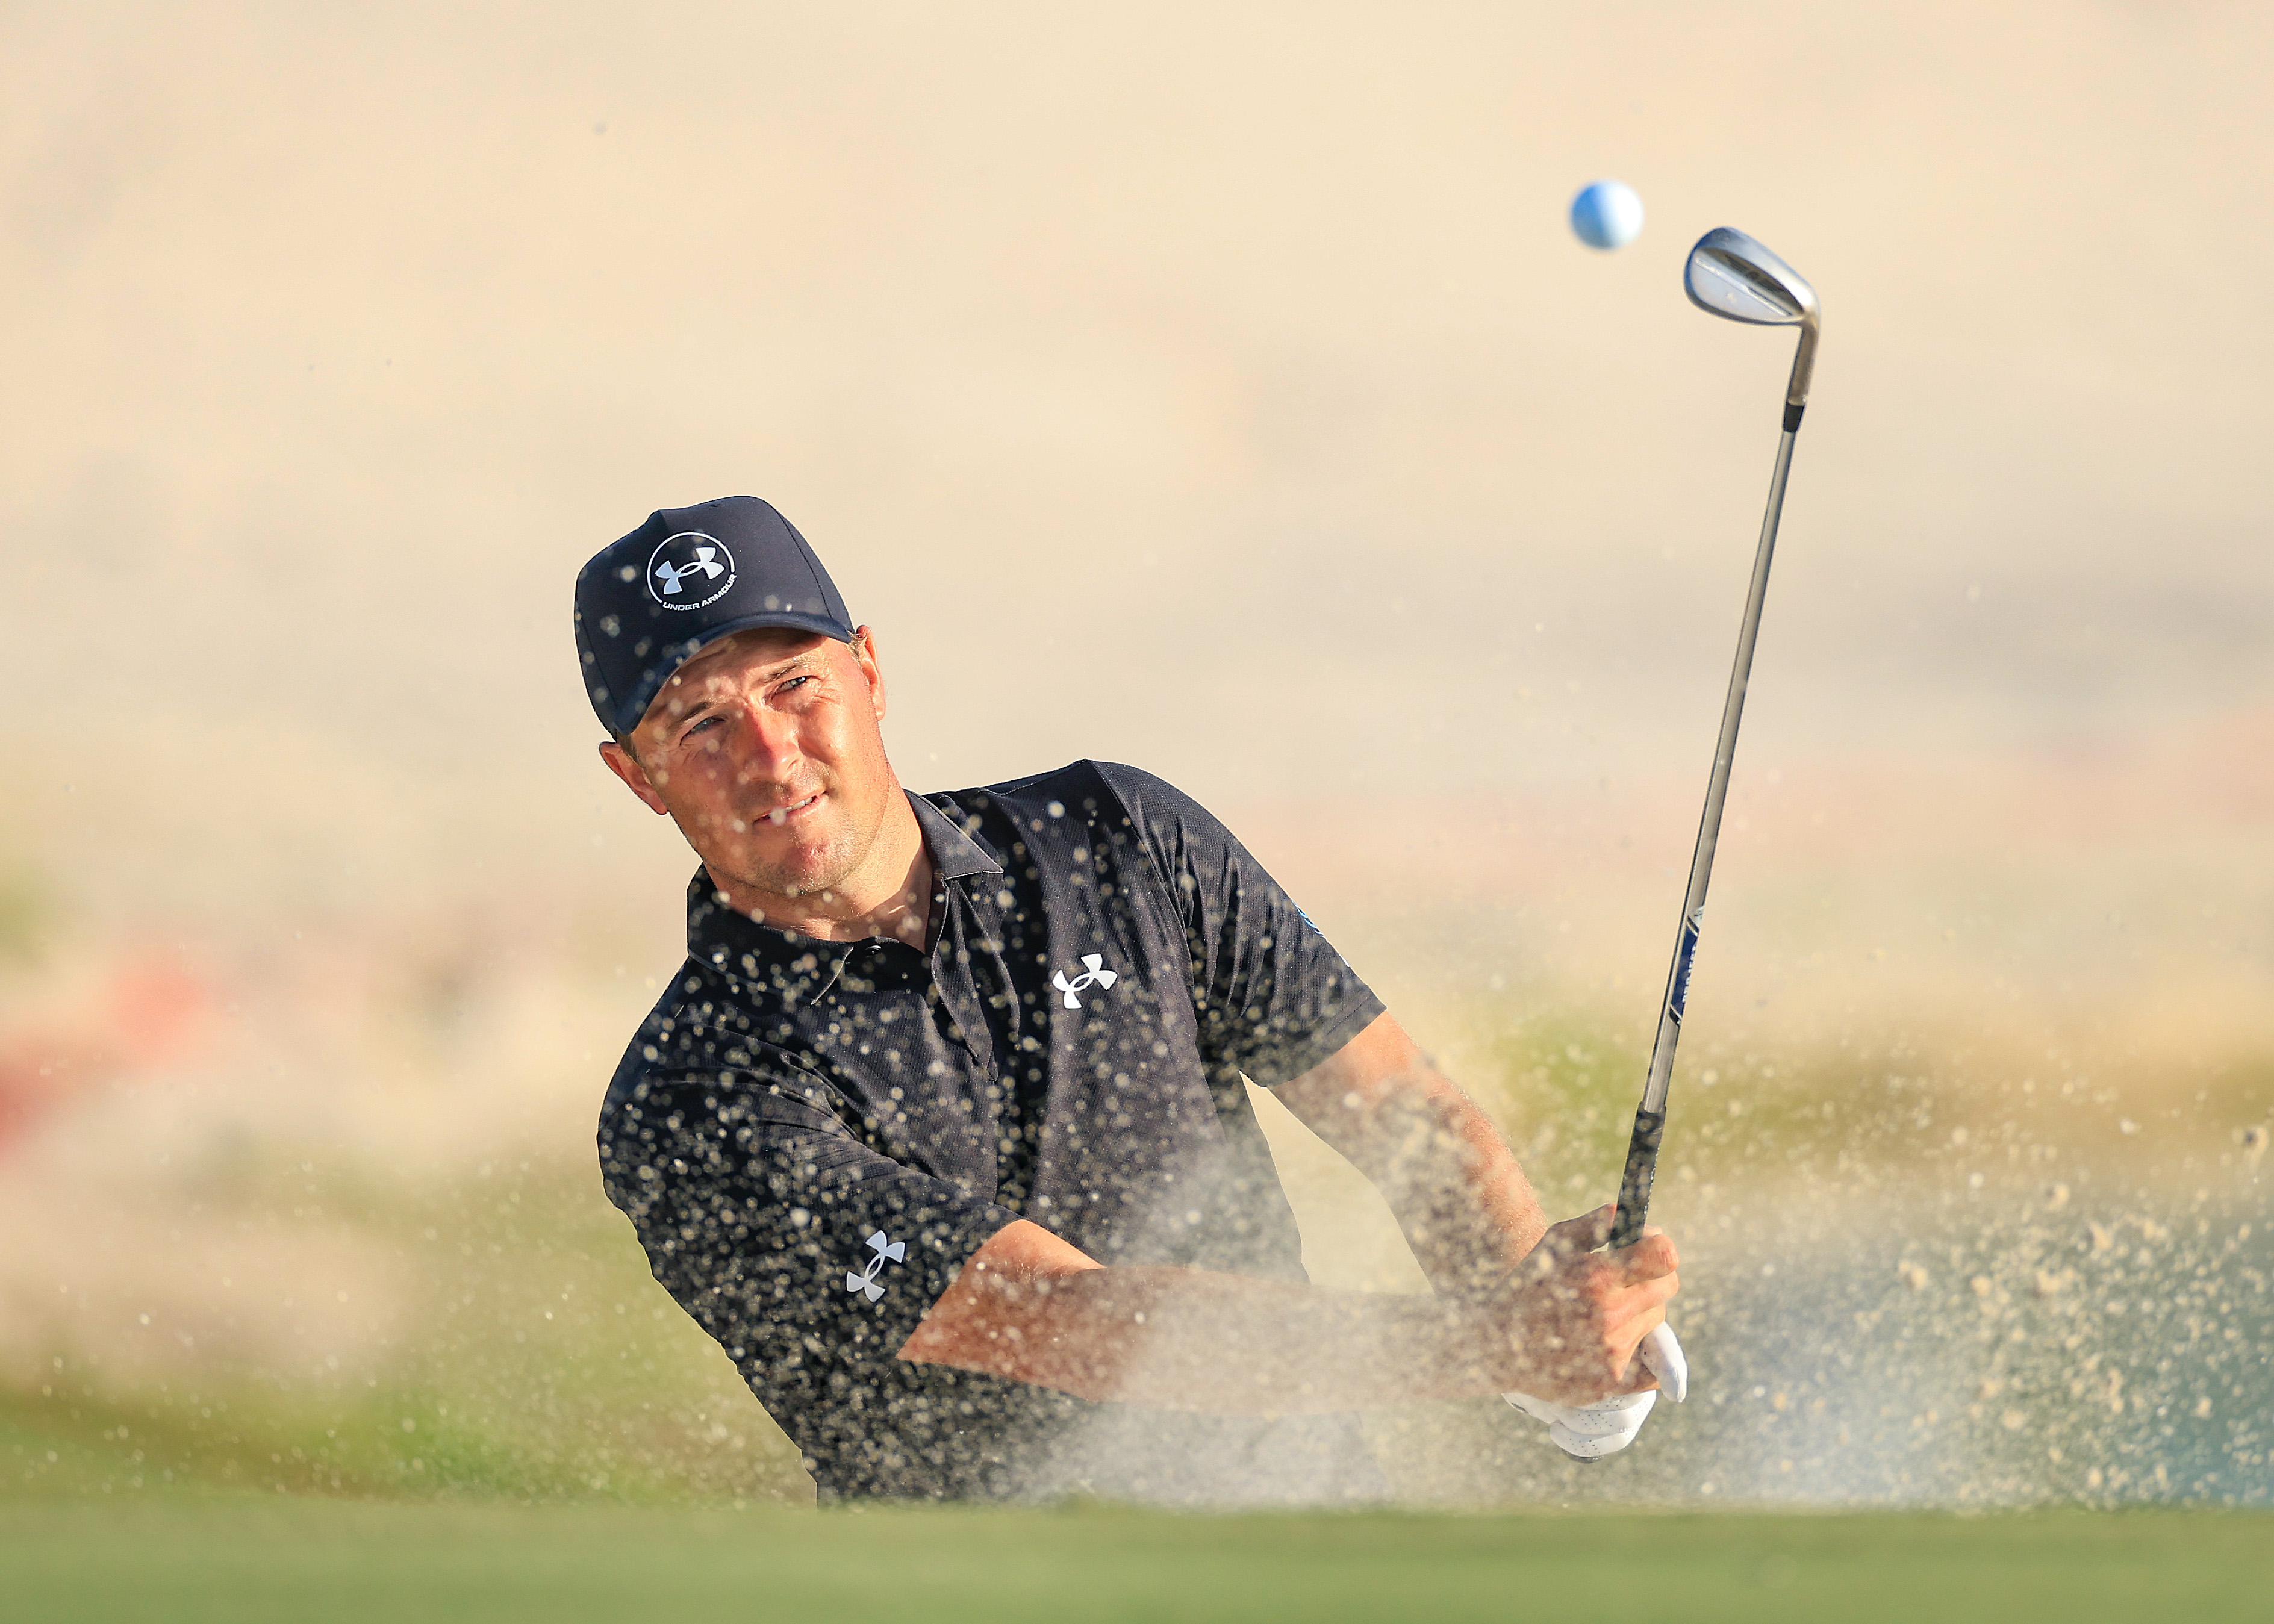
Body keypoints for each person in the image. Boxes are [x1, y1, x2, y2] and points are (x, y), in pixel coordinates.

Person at [576, 496, 1683, 1503]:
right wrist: (1493, 1344)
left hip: (1329, 1543)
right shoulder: (690, 1099)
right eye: (702, 725)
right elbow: (1072, 1325)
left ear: (868, 670)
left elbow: (1401, 1113)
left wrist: (1552, 1326)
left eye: (793, 685)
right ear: (638, 774)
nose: (771, 755)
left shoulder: (1113, 840)